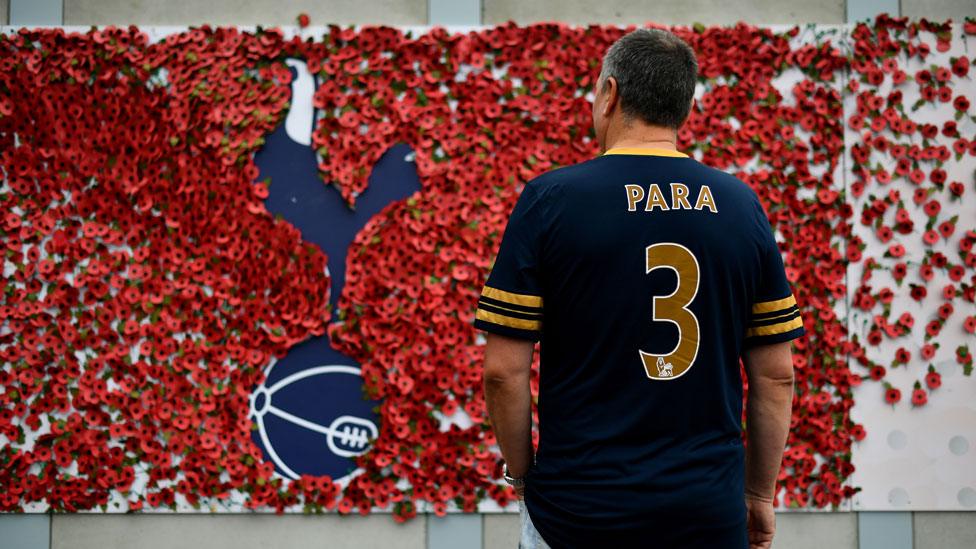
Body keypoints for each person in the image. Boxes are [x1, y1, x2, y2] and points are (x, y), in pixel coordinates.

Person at [477, 28, 802, 549]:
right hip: (706, 511)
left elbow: (503, 372)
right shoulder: (742, 206)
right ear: (685, 107)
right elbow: (776, 376)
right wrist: (759, 495)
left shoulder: (550, 200)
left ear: (610, 94)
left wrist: (522, 477)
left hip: (576, 511)